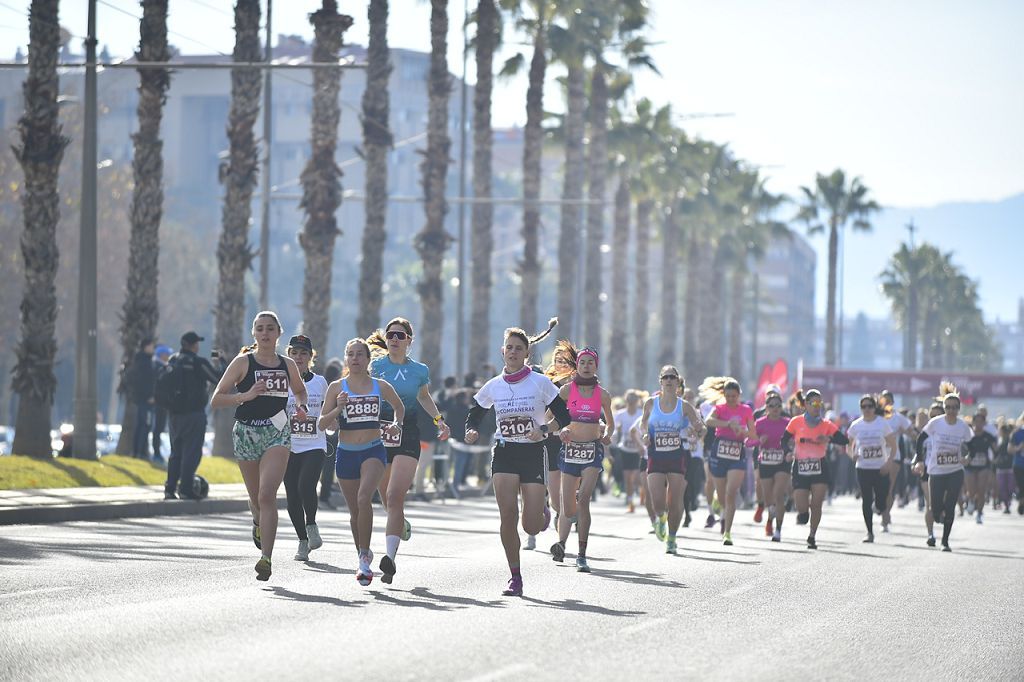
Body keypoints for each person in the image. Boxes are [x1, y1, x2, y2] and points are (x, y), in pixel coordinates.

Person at [465, 321, 568, 597]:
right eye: (509, 347)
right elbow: (475, 411)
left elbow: (564, 414)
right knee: (507, 515)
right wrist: (471, 429)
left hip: (533, 453)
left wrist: (544, 430)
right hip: (505, 452)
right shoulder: (493, 386)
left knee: (530, 525)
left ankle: (542, 508)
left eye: (518, 348)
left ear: (526, 354)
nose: (512, 352)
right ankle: (515, 576)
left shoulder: (540, 383)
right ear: (502, 351)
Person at [210, 312, 309, 581]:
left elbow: (300, 391)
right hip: (246, 433)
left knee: (267, 495)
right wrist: (246, 395)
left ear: (278, 333)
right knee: (256, 500)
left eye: (270, 329)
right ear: (253, 333)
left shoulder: (287, 364)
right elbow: (217, 399)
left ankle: (266, 558)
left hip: (277, 432)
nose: (265, 334)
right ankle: (256, 520)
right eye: (260, 329)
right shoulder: (243, 363)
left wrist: (300, 407)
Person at [367, 317, 450, 584]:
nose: (394, 339)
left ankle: (389, 559)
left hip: (407, 433)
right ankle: (400, 525)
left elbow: (424, 396)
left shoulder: (419, 370)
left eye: (400, 336)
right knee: (386, 499)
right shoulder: (376, 366)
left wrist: (439, 421)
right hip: (379, 433)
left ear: (409, 341)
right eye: (390, 334)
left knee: (394, 496)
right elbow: (366, 393)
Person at [319, 338, 405, 585]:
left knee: (363, 497)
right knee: (355, 512)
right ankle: (363, 552)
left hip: (373, 451)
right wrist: (338, 408)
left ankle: (363, 564)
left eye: (359, 354)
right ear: (346, 359)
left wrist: (396, 424)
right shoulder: (336, 388)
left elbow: (399, 407)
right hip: (346, 453)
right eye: (350, 354)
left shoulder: (380, 385)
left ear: (368, 360)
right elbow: (323, 424)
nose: (355, 359)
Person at [550, 348, 615, 571]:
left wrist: (607, 434)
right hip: (569, 451)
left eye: (590, 362)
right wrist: (560, 431)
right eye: (582, 362)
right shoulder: (567, 391)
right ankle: (563, 540)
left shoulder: (603, 394)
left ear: (596, 366)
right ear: (577, 366)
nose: (586, 366)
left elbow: (611, 422)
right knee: (567, 508)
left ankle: (581, 554)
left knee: (584, 500)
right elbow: (552, 419)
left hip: (592, 451)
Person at [639, 366, 705, 554]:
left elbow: (699, 426)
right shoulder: (651, 403)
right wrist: (645, 435)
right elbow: (643, 423)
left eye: (672, 377)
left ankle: (672, 537)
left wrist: (697, 432)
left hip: (677, 456)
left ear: (677, 381)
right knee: (658, 501)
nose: (668, 380)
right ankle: (660, 518)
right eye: (665, 377)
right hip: (655, 456)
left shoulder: (684, 406)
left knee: (675, 501)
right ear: (660, 381)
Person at [781, 389, 849, 549]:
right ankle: (803, 514)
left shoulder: (826, 424)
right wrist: (788, 452)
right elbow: (783, 440)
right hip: (801, 466)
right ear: (806, 404)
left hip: (819, 466)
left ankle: (812, 535)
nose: (818, 407)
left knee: (817, 504)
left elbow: (843, 440)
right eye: (814, 403)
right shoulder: (796, 422)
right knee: (802, 507)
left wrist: (828, 438)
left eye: (820, 403)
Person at [282, 335, 329, 562]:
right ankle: (302, 541)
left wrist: (334, 421)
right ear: (288, 355)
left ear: (311, 357)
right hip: (287, 445)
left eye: (303, 353)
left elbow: (327, 410)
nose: (298, 357)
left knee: (305, 485)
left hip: (315, 443)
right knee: (292, 494)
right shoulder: (282, 381)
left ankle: (311, 524)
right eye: (294, 353)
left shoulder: (320, 382)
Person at [912, 384, 972, 552]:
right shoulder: (935, 423)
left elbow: (971, 444)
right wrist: (920, 460)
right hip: (936, 471)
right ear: (944, 408)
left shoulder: (962, 426)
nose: (951, 410)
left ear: (959, 409)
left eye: (955, 408)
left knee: (951, 505)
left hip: (955, 471)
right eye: (948, 407)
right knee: (936, 509)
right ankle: (940, 516)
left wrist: (968, 457)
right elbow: (919, 440)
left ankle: (945, 541)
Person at [164, 331, 221, 500]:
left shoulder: (173, 360)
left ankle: (169, 489)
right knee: (191, 453)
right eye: (197, 343)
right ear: (192, 345)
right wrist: (220, 362)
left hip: (174, 415)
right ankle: (186, 489)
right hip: (194, 416)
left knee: (176, 453)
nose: (198, 346)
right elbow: (218, 378)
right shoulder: (198, 362)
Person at [702, 377, 755, 546]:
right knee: (722, 491)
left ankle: (727, 532)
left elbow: (753, 435)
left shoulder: (746, 410)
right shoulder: (720, 408)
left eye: (734, 396)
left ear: (739, 395)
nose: (731, 399)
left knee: (731, 492)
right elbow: (708, 421)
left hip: (736, 453)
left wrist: (741, 431)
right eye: (728, 396)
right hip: (719, 452)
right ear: (724, 395)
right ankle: (720, 503)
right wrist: (727, 424)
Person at [846, 394, 897, 543]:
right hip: (863, 468)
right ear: (861, 409)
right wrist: (852, 455)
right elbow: (848, 445)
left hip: (880, 467)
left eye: (870, 406)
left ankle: (879, 506)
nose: (867, 409)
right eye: (864, 407)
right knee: (866, 500)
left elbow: (893, 446)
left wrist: (889, 462)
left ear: (874, 408)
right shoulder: (856, 425)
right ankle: (869, 532)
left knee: (882, 502)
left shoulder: (882, 424)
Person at [755, 391, 792, 542]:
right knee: (769, 498)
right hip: (765, 462)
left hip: (782, 462)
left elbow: (796, 438)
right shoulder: (760, 423)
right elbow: (748, 441)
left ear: (781, 407)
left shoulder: (788, 423)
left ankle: (778, 530)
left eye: (778, 406)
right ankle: (770, 518)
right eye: (771, 406)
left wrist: (792, 448)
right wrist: (759, 441)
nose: (775, 408)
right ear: (766, 407)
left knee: (778, 494)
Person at [612, 390, 644, 514]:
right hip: (625, 448)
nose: (631, 403)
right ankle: (630, 502)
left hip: (639, 449)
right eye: (629, 400)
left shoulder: (641, 413)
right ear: (626, 401)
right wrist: (616, 432)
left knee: (636, 478)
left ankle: (642, 491)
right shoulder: (620, 414)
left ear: (637, 401)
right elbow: (613, 429)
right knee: (627, 478)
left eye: (633, 400)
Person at [318, 358, 344, 509]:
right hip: (330, 432)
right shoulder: (334, 389)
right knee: (328, 465)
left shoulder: (320, 386)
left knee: (319, 465)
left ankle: (320, 495)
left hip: (317, 431)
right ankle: (324, 497)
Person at [964, 412, 997, 524]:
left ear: (984, 423)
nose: (978, 424)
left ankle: (979, 513)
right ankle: (971, 500)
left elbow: (995, 449)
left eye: (981, 422)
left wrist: (995, 460)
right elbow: (962, 449)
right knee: (971, 490)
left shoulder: (988, 436)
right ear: (972, 422)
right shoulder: (968, 436)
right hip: (970, 466)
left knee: (981, 490)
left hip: (984, 466)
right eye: (976, 421)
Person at [129, 337, 157, 459]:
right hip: (145, 400)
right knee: (144, 425)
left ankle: (138, 452)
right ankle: (139, 452)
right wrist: (149, 396)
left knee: (141, 425)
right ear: (146, 347)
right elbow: (144, 382)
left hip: (141, 399)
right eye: (151, 346)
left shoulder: (141, 360)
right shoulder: (144, 362)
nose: (153, 348)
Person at [150, 344, 172, 464]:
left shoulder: (161, 366)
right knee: (157, 429)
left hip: (161, 402)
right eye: (167, 354)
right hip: (158, 402)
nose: (168, 356)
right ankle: (156, 453)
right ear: (162, 355)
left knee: (159, 428)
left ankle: (157, 453)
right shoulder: (157, 366)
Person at [994, 422, 1015, 514]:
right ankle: (1006, 505)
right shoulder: (998, 441)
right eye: (1003, 431)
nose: (1004, 433)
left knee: (1010, 487)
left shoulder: (1011, 441)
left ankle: (1008, 502)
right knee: (1002, 487)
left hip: (1010, 467)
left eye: (1006, 431)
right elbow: (996, 453)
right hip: (1000, 468)